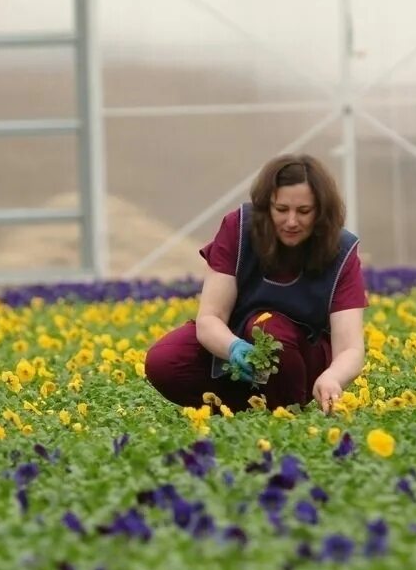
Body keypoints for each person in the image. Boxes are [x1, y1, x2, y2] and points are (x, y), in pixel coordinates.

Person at [144, 153, 367, 414]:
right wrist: (233, 347)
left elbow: (350, 347)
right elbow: (210, 318)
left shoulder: (340, 251)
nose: (292, 221)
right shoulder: (239, 229)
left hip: (305, 357)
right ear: (266, 207)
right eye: (281, 210)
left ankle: (287, 409)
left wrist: (333, 378)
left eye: (304, 211)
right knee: (165, 361)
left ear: (321, 211)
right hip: (236, 342)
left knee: (266, 325)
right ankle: (248, 409)